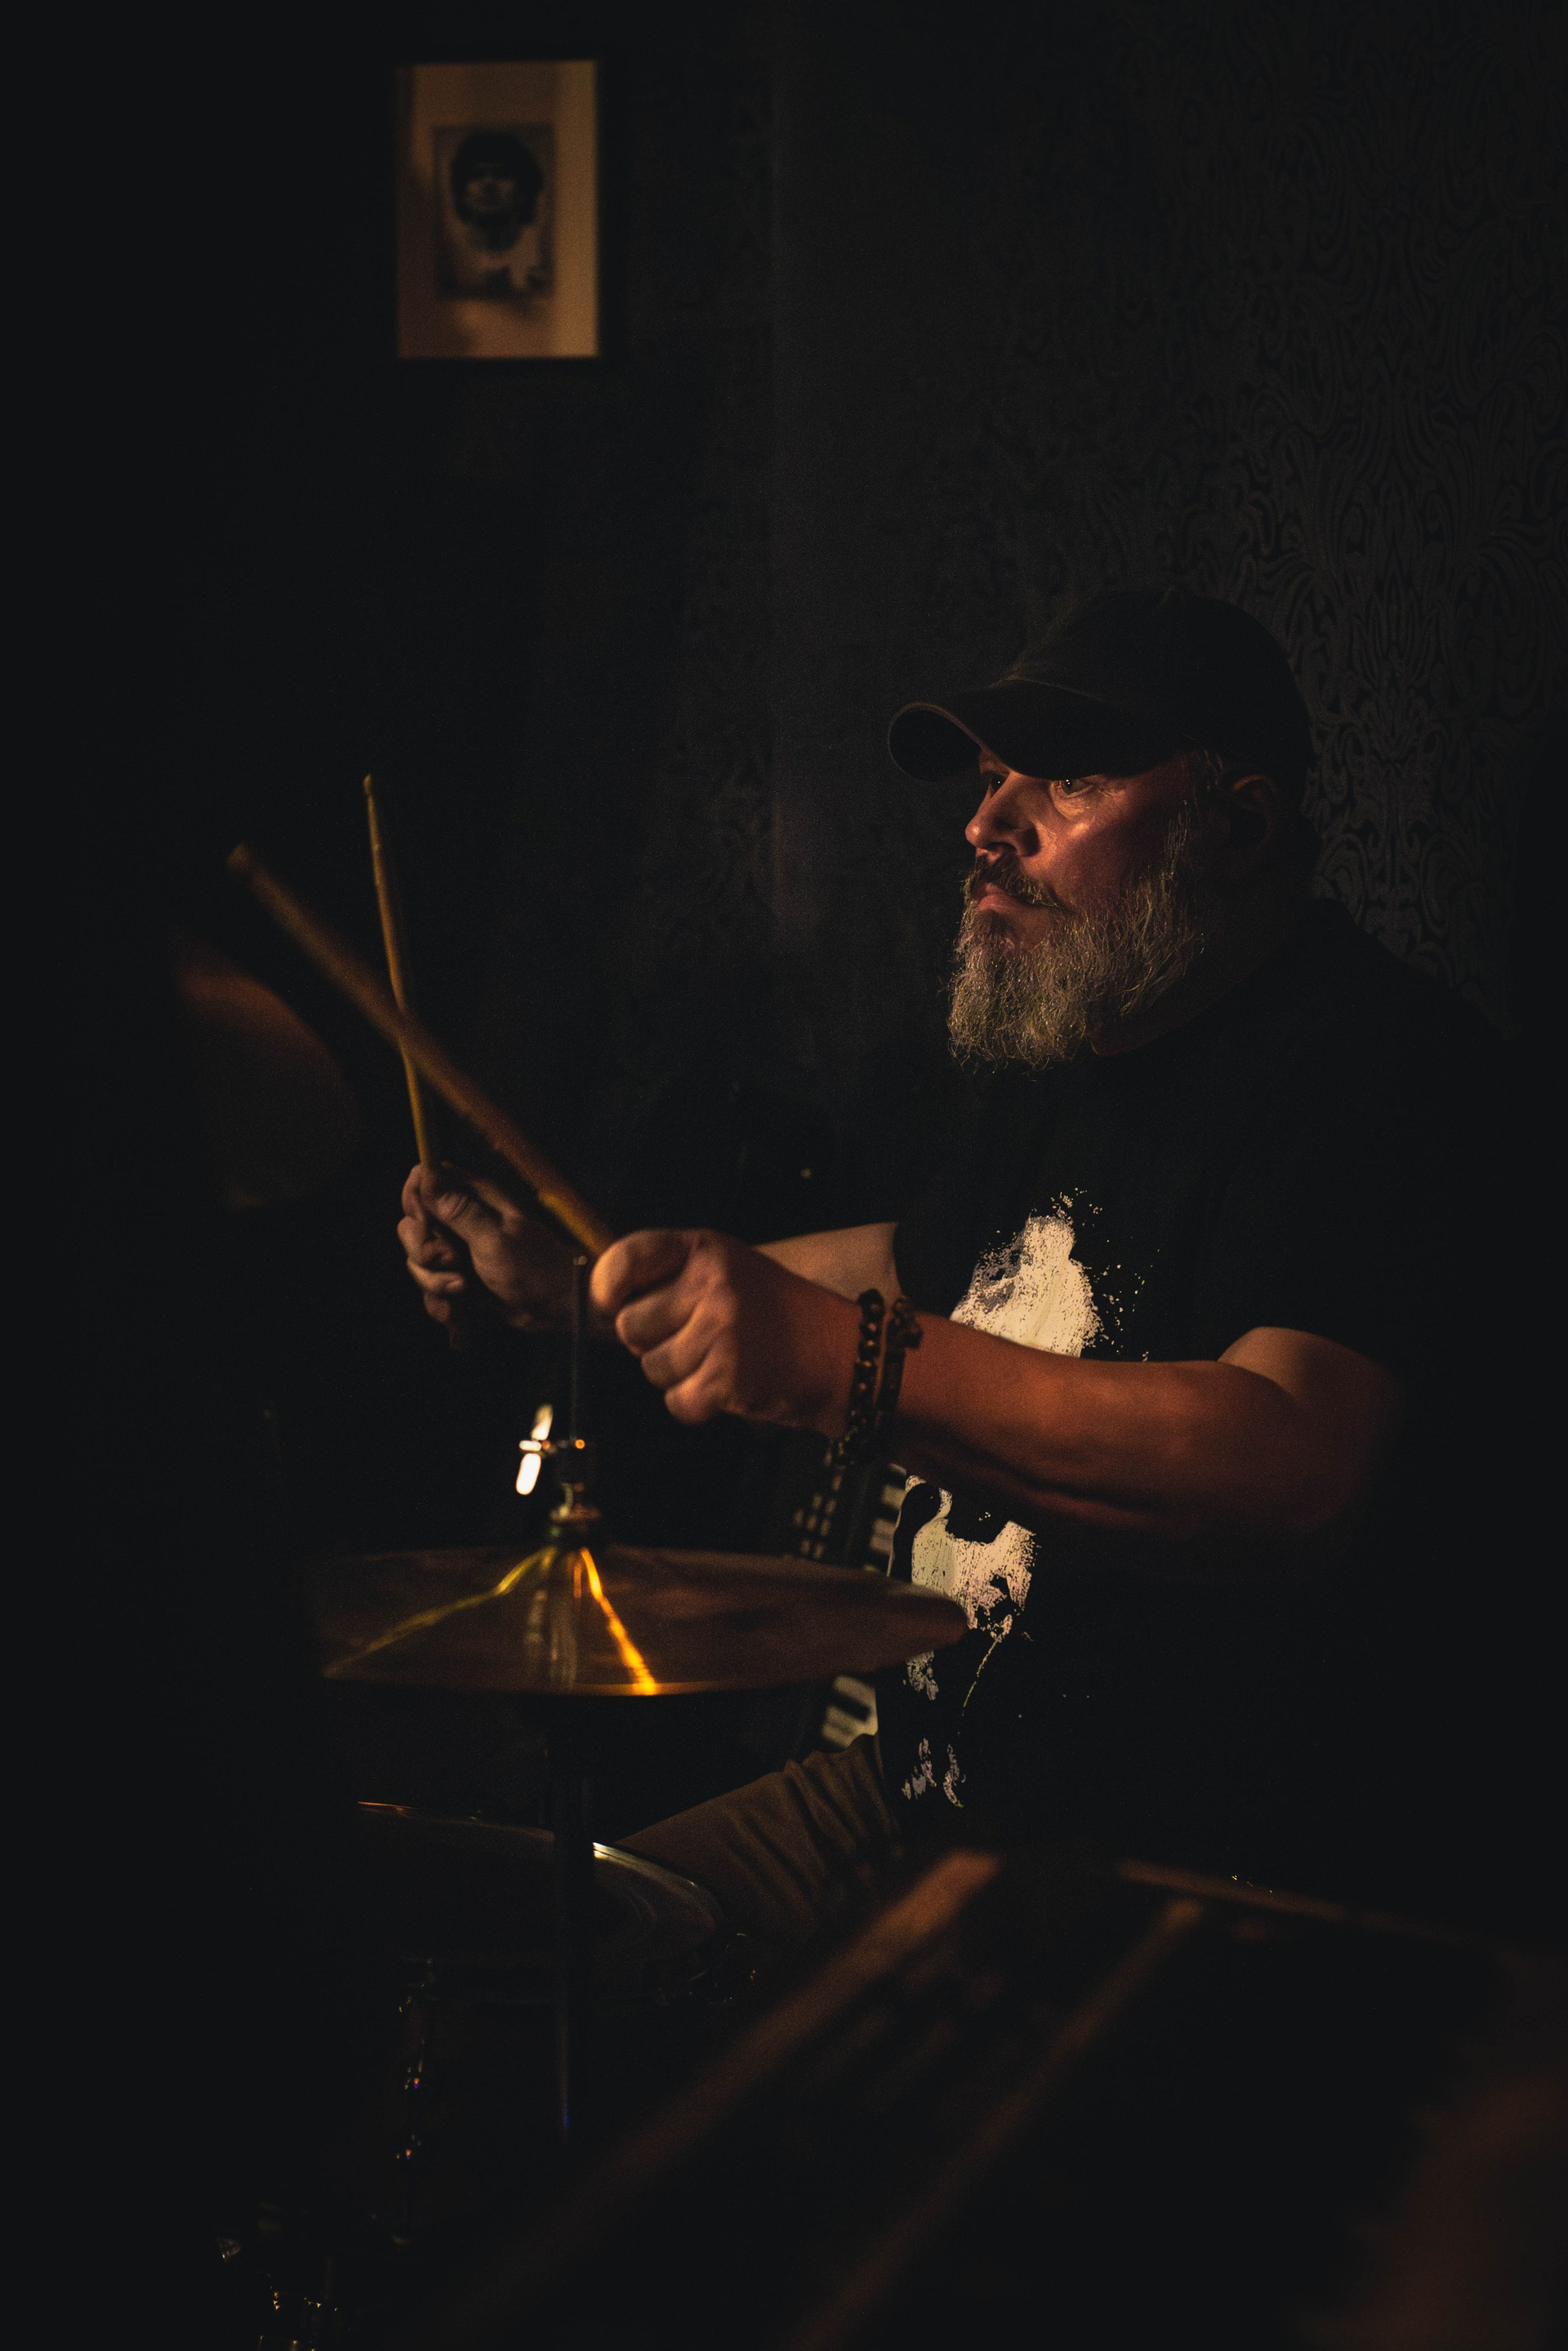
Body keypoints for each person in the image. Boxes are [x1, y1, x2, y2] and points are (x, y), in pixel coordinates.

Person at [399, 588, 1517, 1947]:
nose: (989, 823)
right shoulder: (1081, 1041)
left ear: (1239, 824)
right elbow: (909, 1264)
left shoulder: (1384, 1072)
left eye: (1068, 779)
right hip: (925, 1793)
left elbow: (1290, 1461)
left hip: (1186, 1874)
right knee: (528, 1944)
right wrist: (578, 1287)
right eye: (990, 779)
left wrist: (843, 1364)